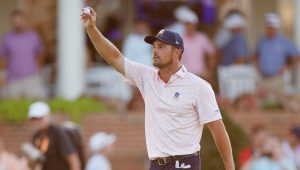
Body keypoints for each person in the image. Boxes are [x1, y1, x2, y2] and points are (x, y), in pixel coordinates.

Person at [81, 8, 234, 170]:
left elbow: (218, 131)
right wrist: (92, 29)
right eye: (154, 46)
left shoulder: (199, 87)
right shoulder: (146, 77)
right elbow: (114, 57)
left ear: (177, 52)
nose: (155, 50)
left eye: (161, 46)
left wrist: (230, 167)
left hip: (184, 164)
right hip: (156, 165)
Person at [0, 9, 47, 99]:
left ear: (24, 21)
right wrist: (1, 75)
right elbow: (2, 57)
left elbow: (41, 52)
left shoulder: (33, 36)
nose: (18, 23)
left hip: (31, 77)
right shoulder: (7, 38)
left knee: (35, 101)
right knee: (13, 104)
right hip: (13, 78)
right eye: (15, 21)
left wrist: (39, 66)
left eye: (20, 20)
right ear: (12, 22)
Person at [254, 13, 299, 95]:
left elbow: (297, 56)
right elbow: (256, 55)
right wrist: (257, 66)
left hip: (277, 80)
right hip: (263, 79)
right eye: (268, 27)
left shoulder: (284, 42)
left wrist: (287, 67)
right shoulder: (261, 42)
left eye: (272, 27)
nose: (270, 29)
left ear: (276, 28)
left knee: (277, 104)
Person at [28, 101, 81, 170]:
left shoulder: (57, 133)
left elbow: (73, 159)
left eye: (40, 118)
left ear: (48, 116)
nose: (37, 121)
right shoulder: (36, 136)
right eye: (34, 118)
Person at [122, 19, 152, 111]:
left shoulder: (150, 39)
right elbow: (127, 56)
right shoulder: (131, 39)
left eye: (143, 26)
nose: (141, 28)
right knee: (134, 92)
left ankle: (144, 110)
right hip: (134, 70)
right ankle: (132, 109)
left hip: (149, 70)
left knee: (147, 93)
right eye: (140, 26)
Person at [180, 9, 216, 80]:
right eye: (187, 24)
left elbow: (212, 54)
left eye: (191, 24)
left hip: (200, 75)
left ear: (195, 25)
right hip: (184, 75)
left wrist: (210, 70)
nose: (189, 27)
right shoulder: (180, 39)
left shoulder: (202, 38)